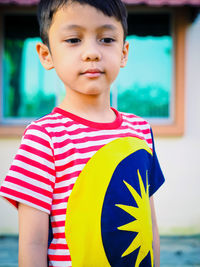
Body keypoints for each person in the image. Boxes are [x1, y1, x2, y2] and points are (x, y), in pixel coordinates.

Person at [0, 0, 165, 266]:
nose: (91, 53)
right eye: (74, 39)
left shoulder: (140, 130)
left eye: (107, 39)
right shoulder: (44, 137)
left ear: (124, 52)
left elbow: (148, 223)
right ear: (46, 55)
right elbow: (33, 243)